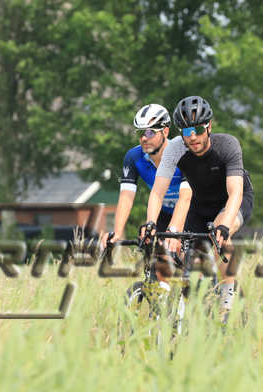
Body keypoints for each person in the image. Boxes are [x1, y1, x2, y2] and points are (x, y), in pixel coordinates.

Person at [144, 96, 254, 317]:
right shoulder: (175, 149)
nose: (193, 136)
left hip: (233, 201)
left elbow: (235, 192)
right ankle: (194, 311)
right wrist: (150, 223)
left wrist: (224, 226)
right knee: (191, 260)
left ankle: (227, 297)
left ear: (209, 127)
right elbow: (157, 192)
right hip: (200, 204)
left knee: (219, 236)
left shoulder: (227, 145)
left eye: (198, 129)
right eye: (186, 131)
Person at [102, 103, 192, 245]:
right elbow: (126, 197)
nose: (144, 138)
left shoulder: (183, 152)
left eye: (150, 132)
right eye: (140, 133)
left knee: (181, 250)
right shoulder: (133, 157)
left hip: (190, 209)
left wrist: (173, 231)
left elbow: (185, 197)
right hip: (164, 212)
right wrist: (117, 232)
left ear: (165, 132)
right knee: (155, 252)